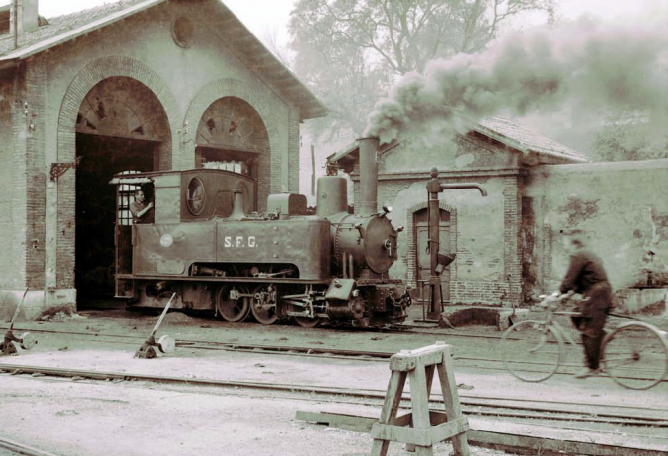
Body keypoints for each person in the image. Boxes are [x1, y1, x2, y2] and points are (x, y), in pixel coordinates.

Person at [555, 229, 613, 379]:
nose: (563, 245)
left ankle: (592, 367)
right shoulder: (587, 253)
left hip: (597, 295)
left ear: (574, 243)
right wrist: (567, 296)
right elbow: (580, 281)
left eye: (565, 242)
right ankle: (601, 336)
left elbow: (569, 279)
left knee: (588, 330)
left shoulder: (578, 255)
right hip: (600, 293)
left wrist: (557, 294)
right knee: (576, 316)